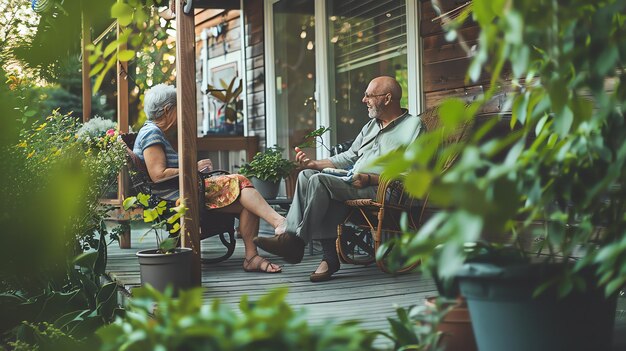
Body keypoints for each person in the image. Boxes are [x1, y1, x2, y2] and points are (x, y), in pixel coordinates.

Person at [254, 76, 423, 282]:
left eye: (369, 95)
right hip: (353, 182)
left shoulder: (414, 127)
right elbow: (349, 156)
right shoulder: (371, 126)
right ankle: (296, 241)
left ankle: (298, 244)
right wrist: (313, 164)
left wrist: (370, 179)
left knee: (319, 182)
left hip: (383, 190)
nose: (364, 100)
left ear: (387, 99)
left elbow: (415, 173)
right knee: (307, 175)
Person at [134, 83, 287, 273]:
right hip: (177, 196)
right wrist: (192, 168)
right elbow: (158, 175)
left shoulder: (153, 132)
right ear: (167, 110)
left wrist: (193, 170)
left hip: (186, 189)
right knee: (239, 180)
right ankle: (280, 222)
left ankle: (252, 257)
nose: (181, 112)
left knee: (248, 201)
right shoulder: (151, 133)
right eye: (178, 108)